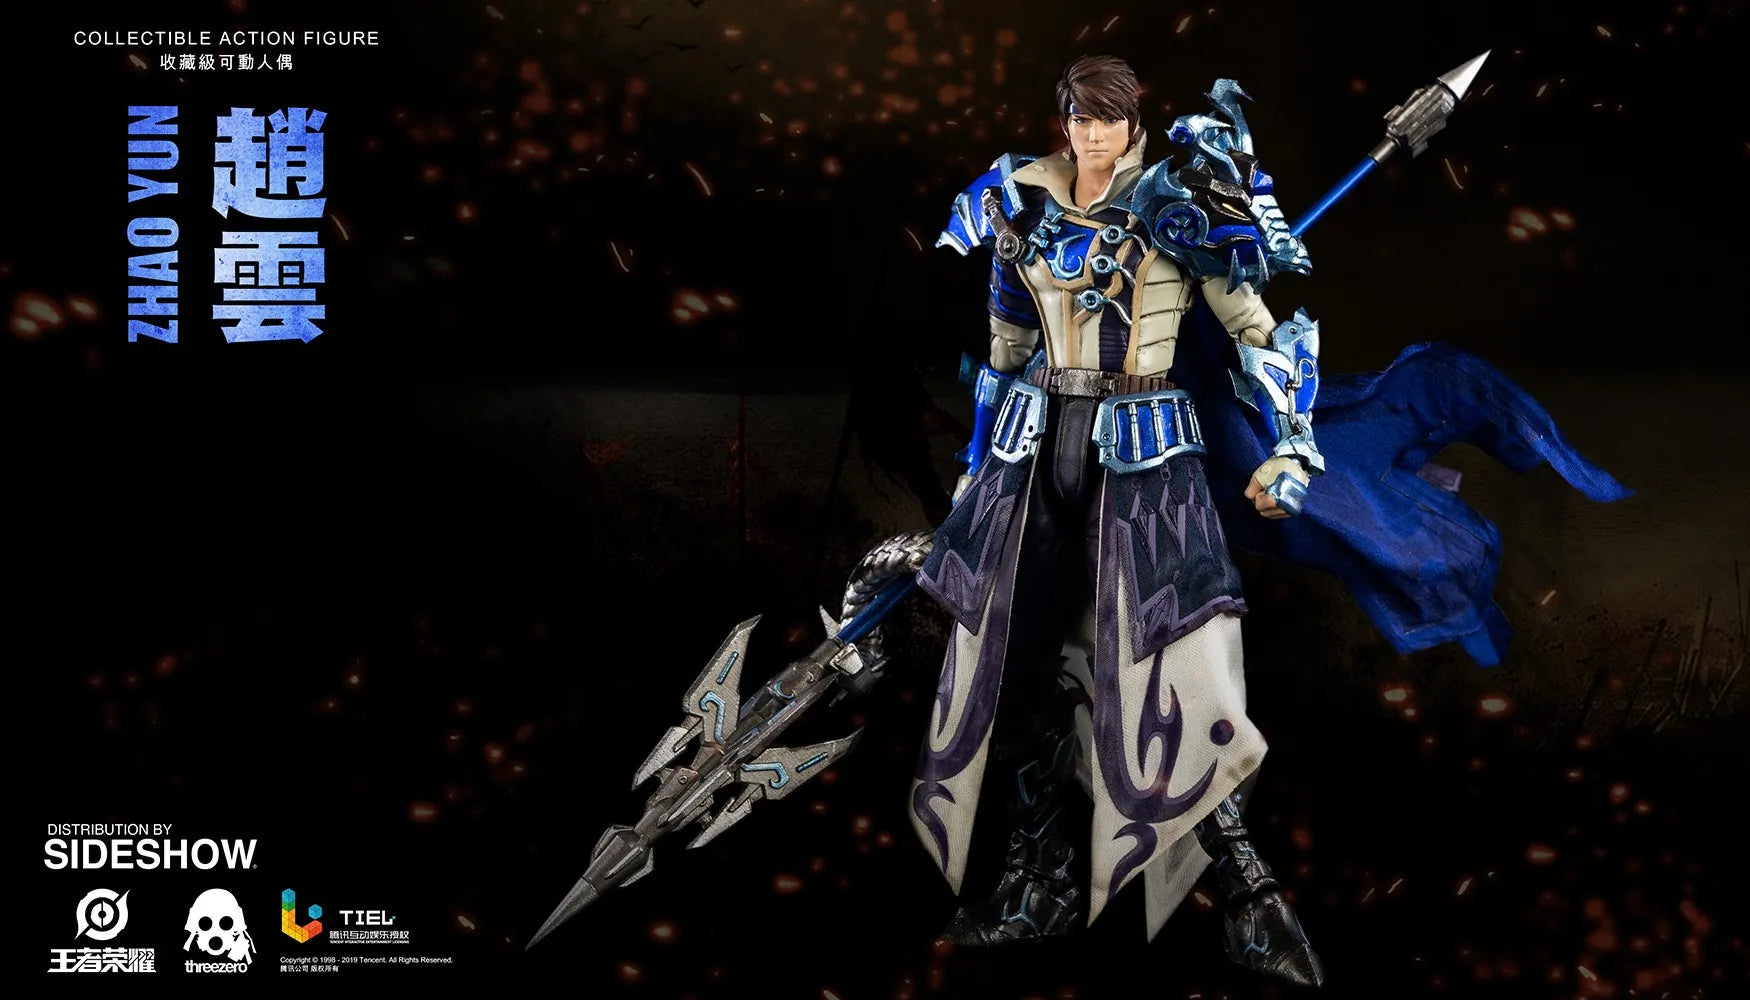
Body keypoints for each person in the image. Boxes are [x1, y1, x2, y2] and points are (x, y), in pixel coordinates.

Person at [915, 55, 1326, 988]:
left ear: (1135, 121)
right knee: (1017, 669)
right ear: (1061, 120)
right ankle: (1039, 883)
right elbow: (1006, 346)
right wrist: (976, 467)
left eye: (1108, 118)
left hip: (1143, 455)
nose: (1092, 133)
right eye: (1079, 117)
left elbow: (1261, 330)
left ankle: (1252, 899)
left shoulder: (1179, 203)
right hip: (1034, 449)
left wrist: (1293, 447)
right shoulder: (1017, 203)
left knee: (1168, 677)